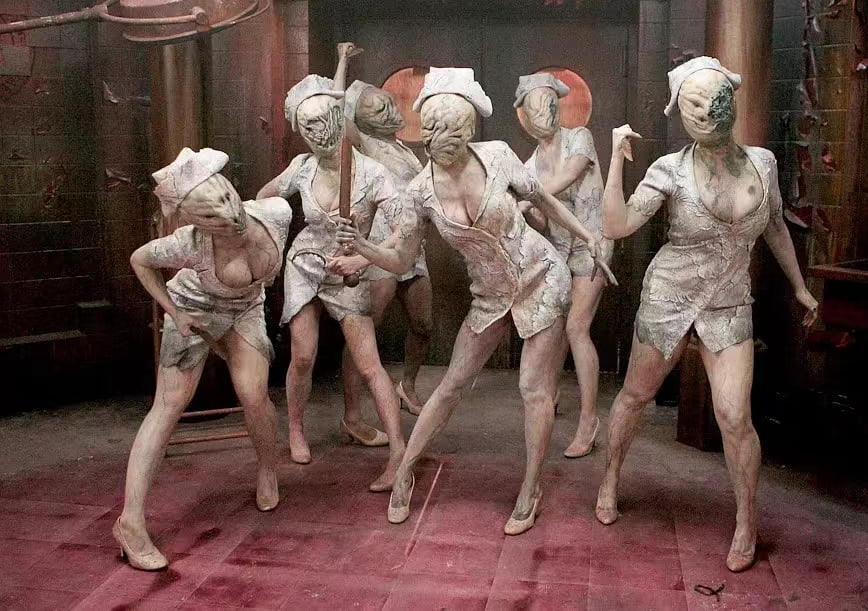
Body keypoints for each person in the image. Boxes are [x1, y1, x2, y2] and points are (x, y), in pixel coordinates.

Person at [332, 67, 614, 535]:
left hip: (542, 278)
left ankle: (530, 489)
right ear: (426, 132)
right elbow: (400, 256)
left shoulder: (499, 156)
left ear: (468, 129)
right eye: (437, 128)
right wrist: (362, 247)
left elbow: (543, 199)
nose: (446, 138)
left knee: (533, 388)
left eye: (456, 128)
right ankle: (405, 471)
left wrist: (588, 238)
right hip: (489, 293)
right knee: (452, 383)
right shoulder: (420, 191)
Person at [597, 57, 818, 572]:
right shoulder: (669, 169)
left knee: (735, 416)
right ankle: (609, 477)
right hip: (669, 296)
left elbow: (775, 227)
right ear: (679, 114)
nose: (706, 111)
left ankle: (746, 519)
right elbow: (617, 226)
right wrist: (615, 161)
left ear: (731, 104)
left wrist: (800, 287)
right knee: (636, 395)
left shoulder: (763, 163)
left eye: (715, 99)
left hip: (729, 301)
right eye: (693, 104)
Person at [116, 147, 291, 570]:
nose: (229, 216)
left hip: (244, 309)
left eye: (227, 199)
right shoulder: (188, 244)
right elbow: (140, 259)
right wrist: (174, 313)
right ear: (196, 222)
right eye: (211, 217)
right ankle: (130, 523)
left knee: (253, 394)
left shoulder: (277, 213)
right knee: (169, 405)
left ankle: (268, 470)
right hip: (193, 308)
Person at [256, 43, 404, 490]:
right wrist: (271, 238)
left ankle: (399, 451)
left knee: (369, 363)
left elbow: (405, 228)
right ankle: (295, 429)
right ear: (299, 130)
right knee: (303, 354)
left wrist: (364, 254)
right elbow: (263, 199)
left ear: (341, 120)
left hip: (348, 273)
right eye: (309, 125)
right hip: (305, 265)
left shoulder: (372, 174)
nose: (320, 133)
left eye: (327, 121)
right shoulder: (301, 168)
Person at [515, 72, 614, 458]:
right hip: (558, 252)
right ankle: (550, 394)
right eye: (537, 108)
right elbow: (543, 220)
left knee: (577, 327)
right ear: (524, 118)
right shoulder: (528, 165)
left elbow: (570, 175)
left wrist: (527, 196)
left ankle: (589, 420)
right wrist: (528, 211)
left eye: (551, 104)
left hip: (593, 244)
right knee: (554, 327)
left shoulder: (579, 138)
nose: (546, 113)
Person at [342, 72, 433, 416]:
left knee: (423, 324)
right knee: (364, 329)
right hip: (379, 245)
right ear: (361, 121)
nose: (391, 112)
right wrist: (342, 64)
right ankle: (353, 409)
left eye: (389, 104)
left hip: (411, 245)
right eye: (378, 110)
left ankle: (406, 386)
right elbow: (339, 115)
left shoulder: (403, 148)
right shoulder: (363, 144)